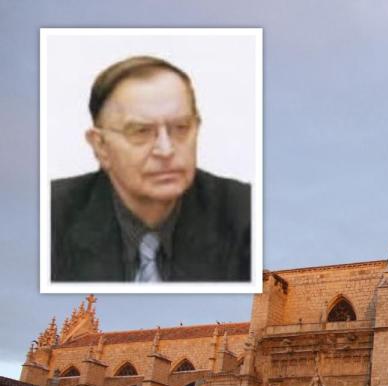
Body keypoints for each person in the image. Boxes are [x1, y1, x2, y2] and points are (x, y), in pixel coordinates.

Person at [51, 56, 251, 283]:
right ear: (100, 146)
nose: (165, 150)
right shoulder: (50, 220)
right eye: (141, 131)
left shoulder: (245, 216)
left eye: (181, 127)